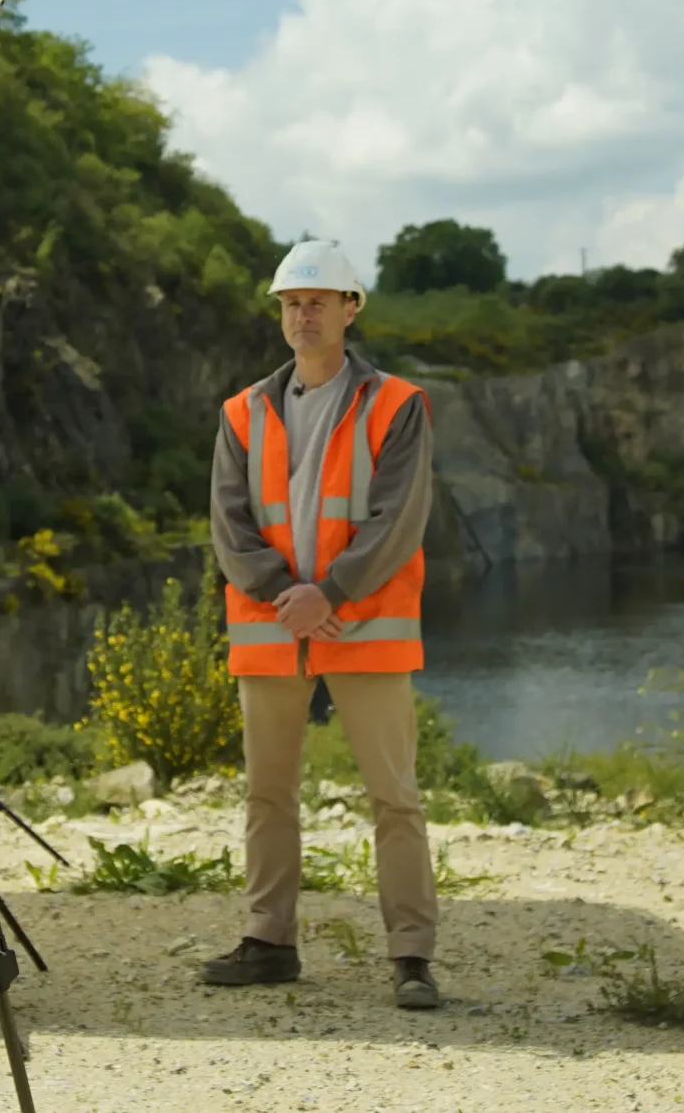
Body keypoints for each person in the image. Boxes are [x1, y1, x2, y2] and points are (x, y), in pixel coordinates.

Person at [200, 237, 442, 1009]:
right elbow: (229, 525)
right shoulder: (242, 412)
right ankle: (269, 940)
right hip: (275, 626)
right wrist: (289, 596)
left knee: (393, 796)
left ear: (350, 308)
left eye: (316, 301)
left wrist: (327, 595)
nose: (302, 313)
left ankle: (411, 954)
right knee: (268, 793)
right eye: (291, 303)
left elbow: (397, 518)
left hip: (361, 625)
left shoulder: (398, 405)